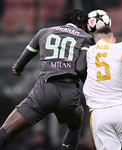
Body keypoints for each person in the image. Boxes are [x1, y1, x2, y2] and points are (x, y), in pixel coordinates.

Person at [0, 9, 94, 150]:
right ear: (83, 25)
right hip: (69, 94)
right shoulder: (86, 37)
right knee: (75, 126)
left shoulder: (44, 32)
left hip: (43, 91)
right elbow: (81, 68)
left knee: (6, 130)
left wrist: (18, 70)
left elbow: (19, 65)